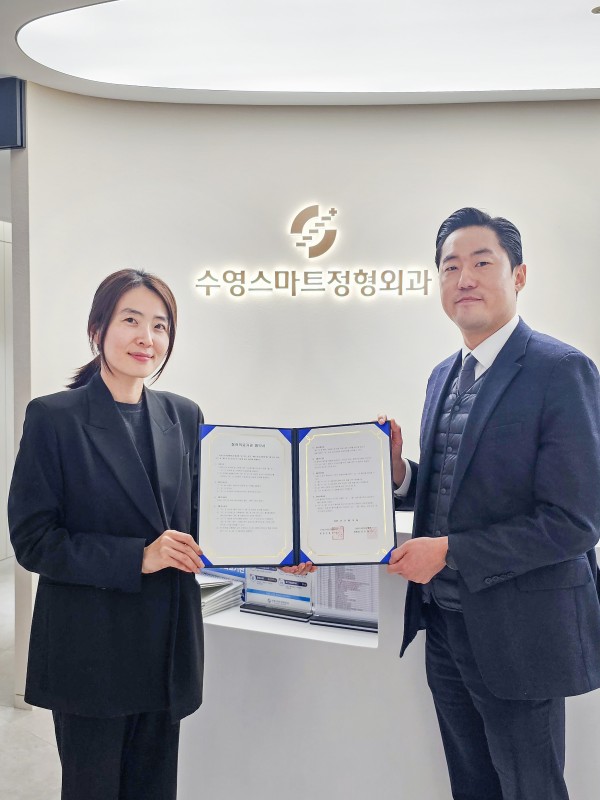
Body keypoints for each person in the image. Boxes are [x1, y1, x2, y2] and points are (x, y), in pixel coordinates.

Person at [381, 207, 600, 800]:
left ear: (518, 275)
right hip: (446, 627)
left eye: (482, 263)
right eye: (450, 267)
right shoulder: (442, 375)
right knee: (470, 784)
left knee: (530, 787)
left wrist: (449, 552)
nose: (465, 279)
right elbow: (455, 489)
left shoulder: (562, 370)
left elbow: (574, 522)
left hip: (520, 634)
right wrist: (401, 473)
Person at [8, 269, 207, 799]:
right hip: (91, 650)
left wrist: (281, 551)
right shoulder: (54, 417)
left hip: (165, 649)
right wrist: (137, 557)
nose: (147, 338)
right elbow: (33, 539)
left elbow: (204, 519)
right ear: (97, 329)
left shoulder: (183, 415)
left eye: (160, 325)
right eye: (131, 320)